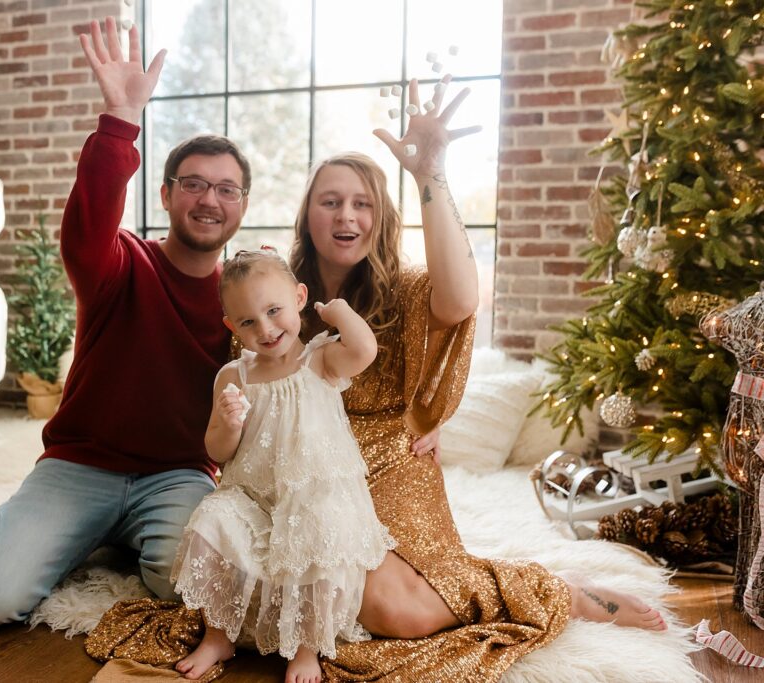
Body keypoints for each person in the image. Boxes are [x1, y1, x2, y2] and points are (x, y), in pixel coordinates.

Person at [86, 76, 668, 681]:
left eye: (362, 202)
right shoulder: (274, 295)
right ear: (307, 214)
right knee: (248, 572)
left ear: (381, 216)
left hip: (386, 464)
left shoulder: (406, 291)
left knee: (401, 613)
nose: (346, 215)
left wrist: (429, 174)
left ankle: (555, 590)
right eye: (330, 200)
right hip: (285, 472)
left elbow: (462, 299)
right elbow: (241, 383)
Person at [0, 17, 251, 627]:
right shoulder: (120, 262)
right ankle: (22, 529)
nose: (209, 199)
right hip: (80, 465)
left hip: (178, 474)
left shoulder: (243, 298)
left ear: (243, 205)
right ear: (164, 195)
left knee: (194, 596)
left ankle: (118, 536)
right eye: (193, 184)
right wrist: (121, 119)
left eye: (226, 189)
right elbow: (86, 226)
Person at [172, 249, 394, 682]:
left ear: (298, 297)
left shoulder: (321, 359)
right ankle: (218, 634)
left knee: (318, 530)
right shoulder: (233, 377)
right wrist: (228, 422)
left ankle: (306, 648)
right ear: (231, 327)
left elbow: (365, 349)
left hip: (313, 497)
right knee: (212, 516)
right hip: (254, 496)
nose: (267, 328)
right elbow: (217, 450)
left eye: (274, 310)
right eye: (248, 322)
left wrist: (339, 312)